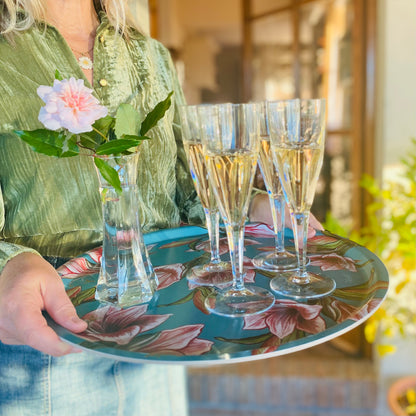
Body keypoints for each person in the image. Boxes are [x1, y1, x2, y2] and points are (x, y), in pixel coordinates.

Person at [0, 1, 323, 414]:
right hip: (44, 350)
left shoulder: (150, 56)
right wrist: (8, 264)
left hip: (161, 334)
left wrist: (249, 203)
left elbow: (188, 191)